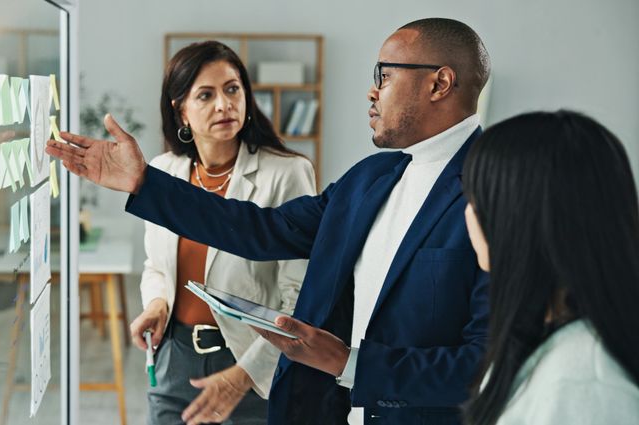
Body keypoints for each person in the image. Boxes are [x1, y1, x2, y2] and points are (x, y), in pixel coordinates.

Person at [48, 17, 490, 425]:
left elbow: (486, 366)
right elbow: (261, 229)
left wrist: (349, 364)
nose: (372, 92)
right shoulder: (371, 178)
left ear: (439, 83)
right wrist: (144, 183)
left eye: (385, 76)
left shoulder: (497, 195)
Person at [126, 41, 315, 425]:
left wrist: (246, 374)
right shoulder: (162, 173)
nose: (224, 104)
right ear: (181, 110)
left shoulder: (287, 173)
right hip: (174, 359)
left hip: (252, 363)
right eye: (206, 95)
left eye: (232, 89)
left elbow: (301, 293)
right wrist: (157, 303)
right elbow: (156, 266)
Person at [461, 111, 639, 425]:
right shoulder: (549, 344)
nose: (467, 213)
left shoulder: (585, 382)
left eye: (475, 198)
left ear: (514, 218)